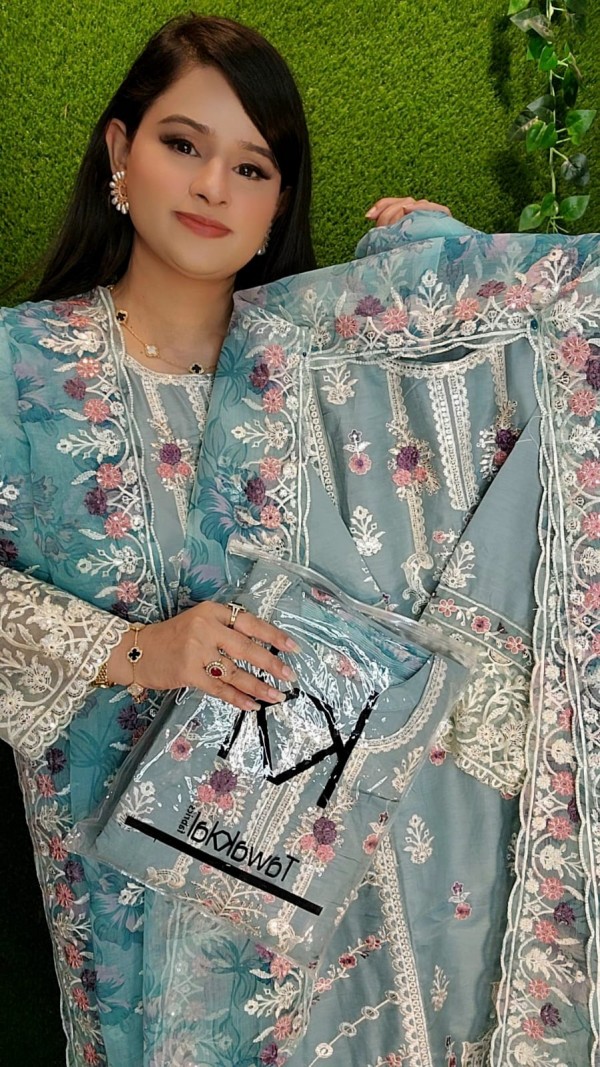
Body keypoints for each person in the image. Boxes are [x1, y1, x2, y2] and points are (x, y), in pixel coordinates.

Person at [0, 13, 450, 1065]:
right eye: (183, 144)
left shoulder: (335, 379)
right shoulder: (22, 370)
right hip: (118, 900)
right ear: (119, 149)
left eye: (251, 167)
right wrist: (139, 649)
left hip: (329, 902)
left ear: (279, 201)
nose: (212, 188)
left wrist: (449, 274)